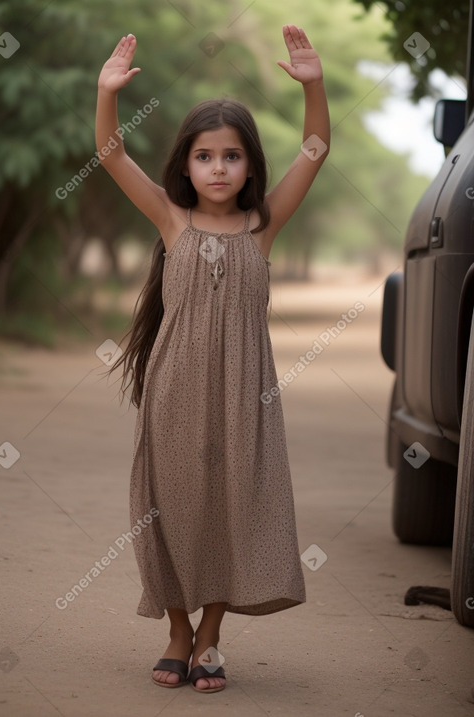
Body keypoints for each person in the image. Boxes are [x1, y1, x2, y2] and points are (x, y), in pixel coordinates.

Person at [95, 24, 329, 694]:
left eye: (231, 156)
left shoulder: (265, 225)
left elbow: (315, 148)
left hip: (246, 397)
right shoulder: (171, 218)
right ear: (187, 166)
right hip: (176, 393)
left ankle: (211, 635)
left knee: (235, 505)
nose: (219, 167)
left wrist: (314, 86)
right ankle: (176, 629)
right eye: (205, 156)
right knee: (171, 506)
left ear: (251, 165)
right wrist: (107, 93)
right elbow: (108, 153)